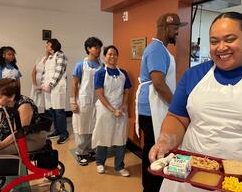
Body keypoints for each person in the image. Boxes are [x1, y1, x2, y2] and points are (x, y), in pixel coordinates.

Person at [149, 12, 242, 192]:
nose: (221, 47)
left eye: (229, 39)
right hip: (189, 174)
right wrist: (166, 140)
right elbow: (177, 118)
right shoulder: (193, 75)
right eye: (214, 41)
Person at [135, 13, 187, 192]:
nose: (178, 32)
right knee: (154, 151)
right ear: (166, 28)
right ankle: (150, 188)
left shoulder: (161, 49)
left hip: (153, 107)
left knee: (153, 148)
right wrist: (176, 106)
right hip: (152, 108)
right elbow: (158, 83)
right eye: (176, 28)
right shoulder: (156, 49)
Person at [0, 79, 46, 191]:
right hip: (15, 137)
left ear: (11, 96)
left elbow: (18, 133)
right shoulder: (7, 103)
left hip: (31, 138)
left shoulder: (24, 105)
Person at [92, 45, 132, 177]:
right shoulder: (100, 73)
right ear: (105, 56)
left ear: (117, 56)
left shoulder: (123, 73)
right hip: (105, 109)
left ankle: (119, 166)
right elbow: (100, 94)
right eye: (109, 54)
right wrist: (112, 109)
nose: (112, 56)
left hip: (121, 109)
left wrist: (124, 105)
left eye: (114, 54)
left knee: (120, 137)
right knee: (103, 136)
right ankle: (100, 163)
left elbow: (126, 92)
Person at [71, 37, 102, 166]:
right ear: (88, 49)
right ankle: (80, 152)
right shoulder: (80, 65)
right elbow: (74, 84)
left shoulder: (102, 66)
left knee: (94, 126)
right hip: (83, 101)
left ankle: (90, 150)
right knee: (82, 127)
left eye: (100, 47)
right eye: (95, 47)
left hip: (97, 101)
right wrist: (73, 102)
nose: (98, 50)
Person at [41, 39, 69, 144]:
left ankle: (64, 134)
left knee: (59, 111)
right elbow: (44, 72)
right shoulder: (48, 58)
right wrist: (43, 84)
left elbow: (59, 72)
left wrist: (50, 85)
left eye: (47, 45)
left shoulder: (60, 56)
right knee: (52, 110)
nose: (46, 47)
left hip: (57, 87)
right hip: (48, 88)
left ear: (52, 46)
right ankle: (57, 131)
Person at [30, 49, 49, 113]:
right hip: (36, 83)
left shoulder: (52, 61)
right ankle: (36, 118)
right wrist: (35, 85)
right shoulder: (40, 59)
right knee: (34, 102)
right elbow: (33, 73)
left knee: (45, 104)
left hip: (44, 85)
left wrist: (41, 86)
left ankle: (45, 118)